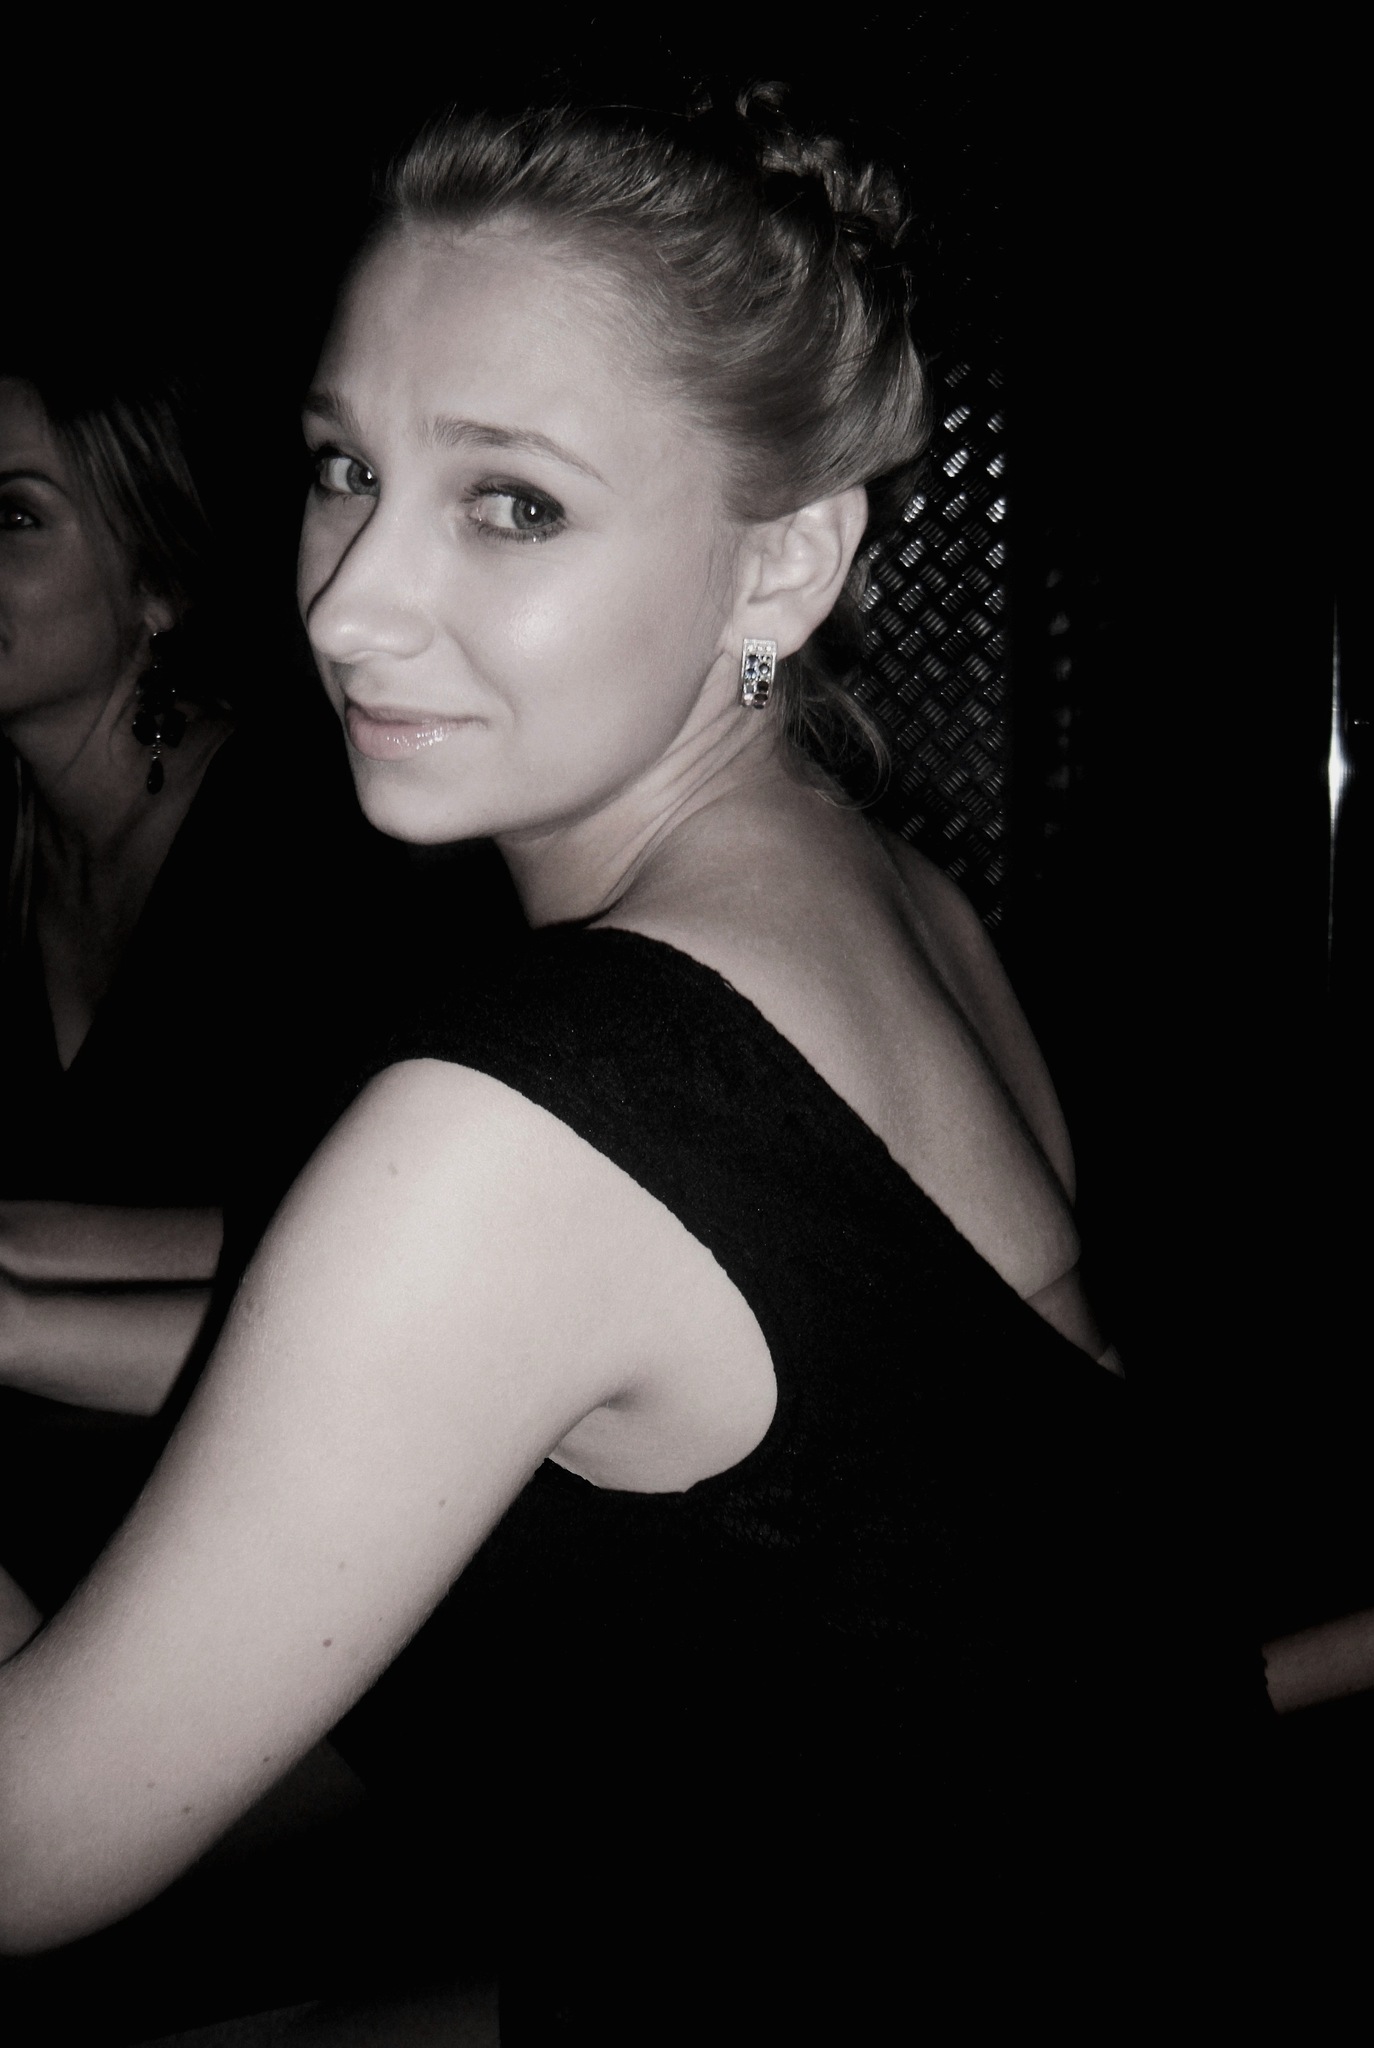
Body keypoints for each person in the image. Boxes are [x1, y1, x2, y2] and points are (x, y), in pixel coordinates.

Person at [1, 90, 1269, 2039]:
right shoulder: (884, 890)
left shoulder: (539, 1113)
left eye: (511, 502)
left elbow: (25, 1847)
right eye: (344, 468)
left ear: (782, 567)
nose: (348, 600)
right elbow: (478, 1343)